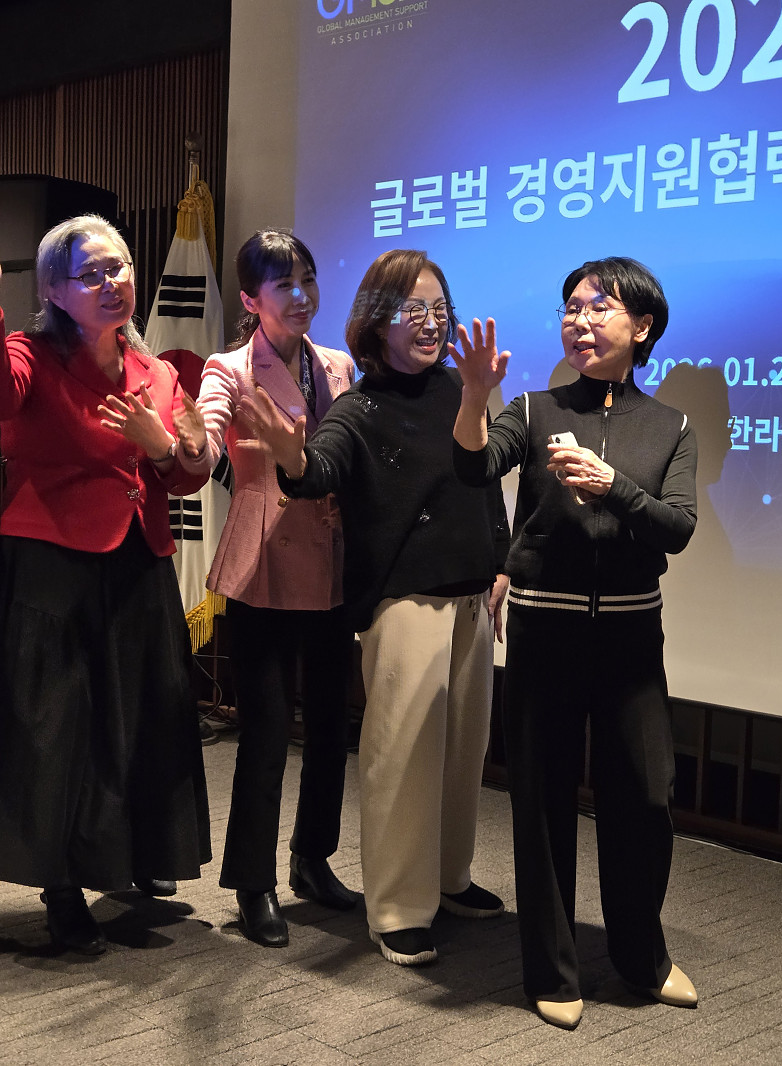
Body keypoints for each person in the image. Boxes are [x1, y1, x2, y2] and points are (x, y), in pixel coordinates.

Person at [239, 249, 510, 966]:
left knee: (463, 755)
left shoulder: (460, 388)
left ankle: (449, 878)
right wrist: (293, 459)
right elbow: (320, 468)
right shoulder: (359, 408)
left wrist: (502, 561)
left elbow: (484, 484)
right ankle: (396, 908)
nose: (430, 322)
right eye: (412, 309)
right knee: (405, 759)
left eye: (438, 309)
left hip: (472, 599)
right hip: (405, 602)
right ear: (376, 321)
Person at [451, 257, 698, 1030]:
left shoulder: (671, 426)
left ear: (643, 326)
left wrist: (611, 487)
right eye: (571, 308)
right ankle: (551, 970)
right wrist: (474, 396)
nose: (579, 320)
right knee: (543, 801)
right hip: (544, 630)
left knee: (646, 797)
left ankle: (642, 957)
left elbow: (678, 528)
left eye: (599, 307)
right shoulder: (532, 408)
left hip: (630, 638)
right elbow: (473, 467)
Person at [0, 215, 212, 955]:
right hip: (51, 562)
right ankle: (60, 887)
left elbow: (187, 473)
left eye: (118, 267)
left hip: (137, 561)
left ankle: (134, 855)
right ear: (53, 290)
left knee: (142, 716)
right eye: (90, 273)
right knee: (57, 730)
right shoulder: (28, 356)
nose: (111, 282)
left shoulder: (156, 370)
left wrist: (166, 449)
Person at [178, 230, 358, 948]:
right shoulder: (229, 367)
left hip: (333, 561)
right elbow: (207, 435)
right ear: (251, 299)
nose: (303, 295)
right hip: (263, 567)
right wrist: (192, 441)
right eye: (285, 284)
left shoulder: (338, 363)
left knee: (330, 727)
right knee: (265, 733)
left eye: (308, 278)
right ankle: (253, 884)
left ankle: (312, 859)